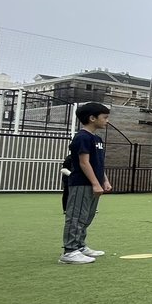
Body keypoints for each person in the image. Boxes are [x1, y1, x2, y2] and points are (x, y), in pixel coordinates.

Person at [59, 102, 111, 264]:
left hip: (94, 183)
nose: (107, 121)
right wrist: (95, 183)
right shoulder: (82, 137)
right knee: (77, 216)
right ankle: (70, 251)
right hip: (81, 183)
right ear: (92, 118)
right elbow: (84, 163)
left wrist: (104, 180)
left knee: (87, 216)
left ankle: (80, 246)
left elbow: (98, 163)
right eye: (105, 117)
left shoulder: (97, 138)